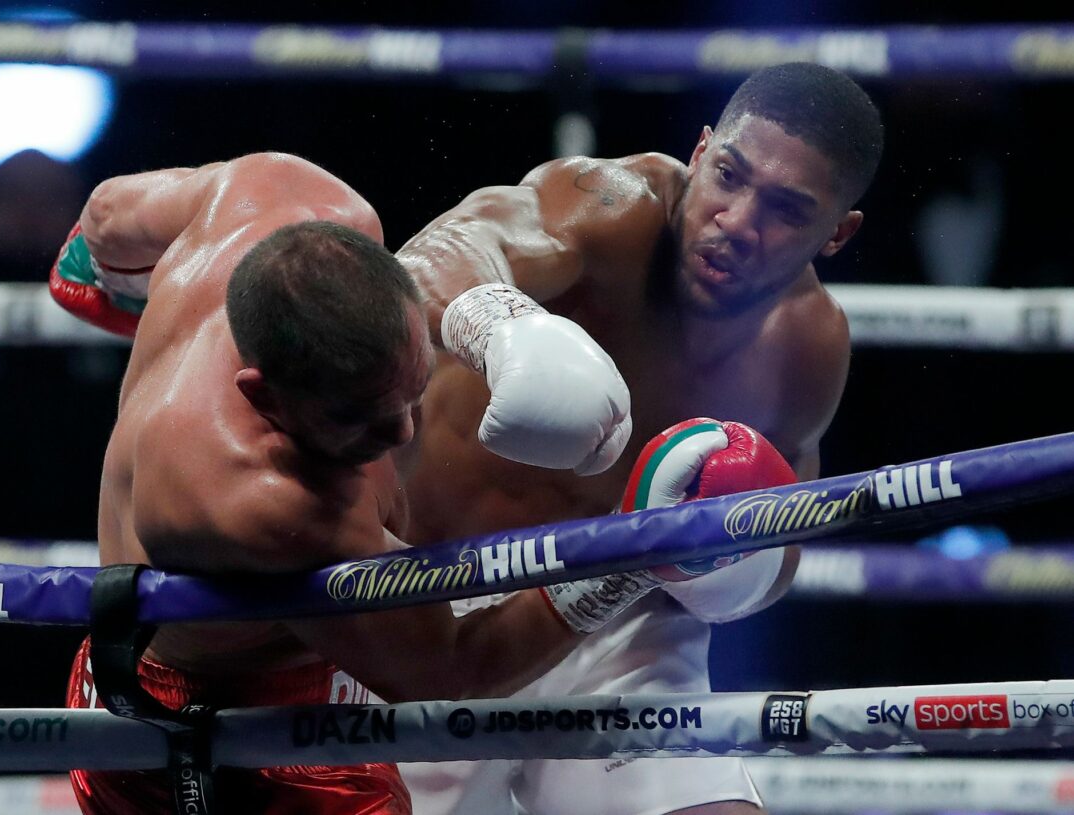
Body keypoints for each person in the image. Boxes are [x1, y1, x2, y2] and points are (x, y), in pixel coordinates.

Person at [48, 152, 709, 814]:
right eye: (355, 420)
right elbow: (450, 666)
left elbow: (106, 212)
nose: (397, 432)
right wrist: (630, 556)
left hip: (286, 665)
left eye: (412, 388)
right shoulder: (267, 501)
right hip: (214, 727)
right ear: (264, 397)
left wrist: (495, 328)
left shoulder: (281, 192)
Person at [394, 62, 884, 815]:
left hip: (619, 628)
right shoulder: (609, 206)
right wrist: (504, 327)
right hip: (435, 602)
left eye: (787, 210)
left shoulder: (806, 347)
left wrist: (728, 568)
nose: (737, 220)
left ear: (837, 234)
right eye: (728, 175)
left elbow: (785, 540)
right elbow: (430, 259)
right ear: (699, 152)